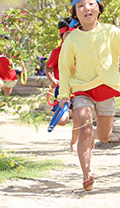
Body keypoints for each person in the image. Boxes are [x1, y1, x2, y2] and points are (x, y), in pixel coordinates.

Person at [58, 0, 120, 191]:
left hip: (106, 89)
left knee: (105, 136)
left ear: (99, 8)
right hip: (82, 90)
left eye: (90, 4)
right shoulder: (71, 40)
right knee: (86, 127)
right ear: (75, 12)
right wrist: (63, 96)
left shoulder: (111, 32)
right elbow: (64, 70)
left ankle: (86, 133)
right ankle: (87, 174)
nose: (86, 9)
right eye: (80, 6)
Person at [45, 17, 79, 151]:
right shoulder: (57, 52)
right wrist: (52, 79)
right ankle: (60, 113)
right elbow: (48, 67)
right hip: (62, 88)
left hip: (78, 88)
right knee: (62, 120)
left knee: (78, 119)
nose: (70, 38)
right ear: (62, 36)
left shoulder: (80, 50)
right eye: (67, 35)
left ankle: (74, 143)